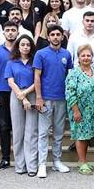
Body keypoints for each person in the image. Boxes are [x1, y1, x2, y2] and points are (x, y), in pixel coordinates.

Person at [33, 25, 73, 178]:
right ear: (48, 37)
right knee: (43, 133)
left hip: (61, 98)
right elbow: (37, 77)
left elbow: (69, 76)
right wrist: (38, 97)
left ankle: (56, 161)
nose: (55, 37)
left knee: (58, 132)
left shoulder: (66, 54)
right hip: (45, 98)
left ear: (62, 37)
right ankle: (42, 164)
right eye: (53, 35)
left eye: (58, 34)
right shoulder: (40, 54)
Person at [65, 44, 94, 175]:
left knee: (87, 135)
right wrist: (76, 110)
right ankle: (82, 163)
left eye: (88, 55)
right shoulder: (74, 73)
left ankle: (84, 161)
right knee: (81, 135)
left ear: (92, 57)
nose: (86, 58)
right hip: (80, 110)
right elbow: (70, 93)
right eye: (83, 55)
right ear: (78, 58)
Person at [5, 34, 39, 176]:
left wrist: (25, 94)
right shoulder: (11, 63)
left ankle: (32, 166)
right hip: (16, 95)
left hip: (32, 94)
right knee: (18, 132)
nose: (25, 47)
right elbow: (10, 81)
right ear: (18, 47)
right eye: (23, 44)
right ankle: (20, 165)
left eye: (28, 45)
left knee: (31, 132)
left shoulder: (35, 62)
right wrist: (21, 96)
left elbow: (37, 81)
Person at [0, 22, 20, 170]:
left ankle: (21, 158)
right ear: (3, 32)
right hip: (2, 91)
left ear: (18, 32)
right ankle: (5, 158)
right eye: (7, 30)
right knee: (4, 125)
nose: (10, 32)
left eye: (13, 30)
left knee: (19, 125)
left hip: (20, 91)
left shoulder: (22, 48)